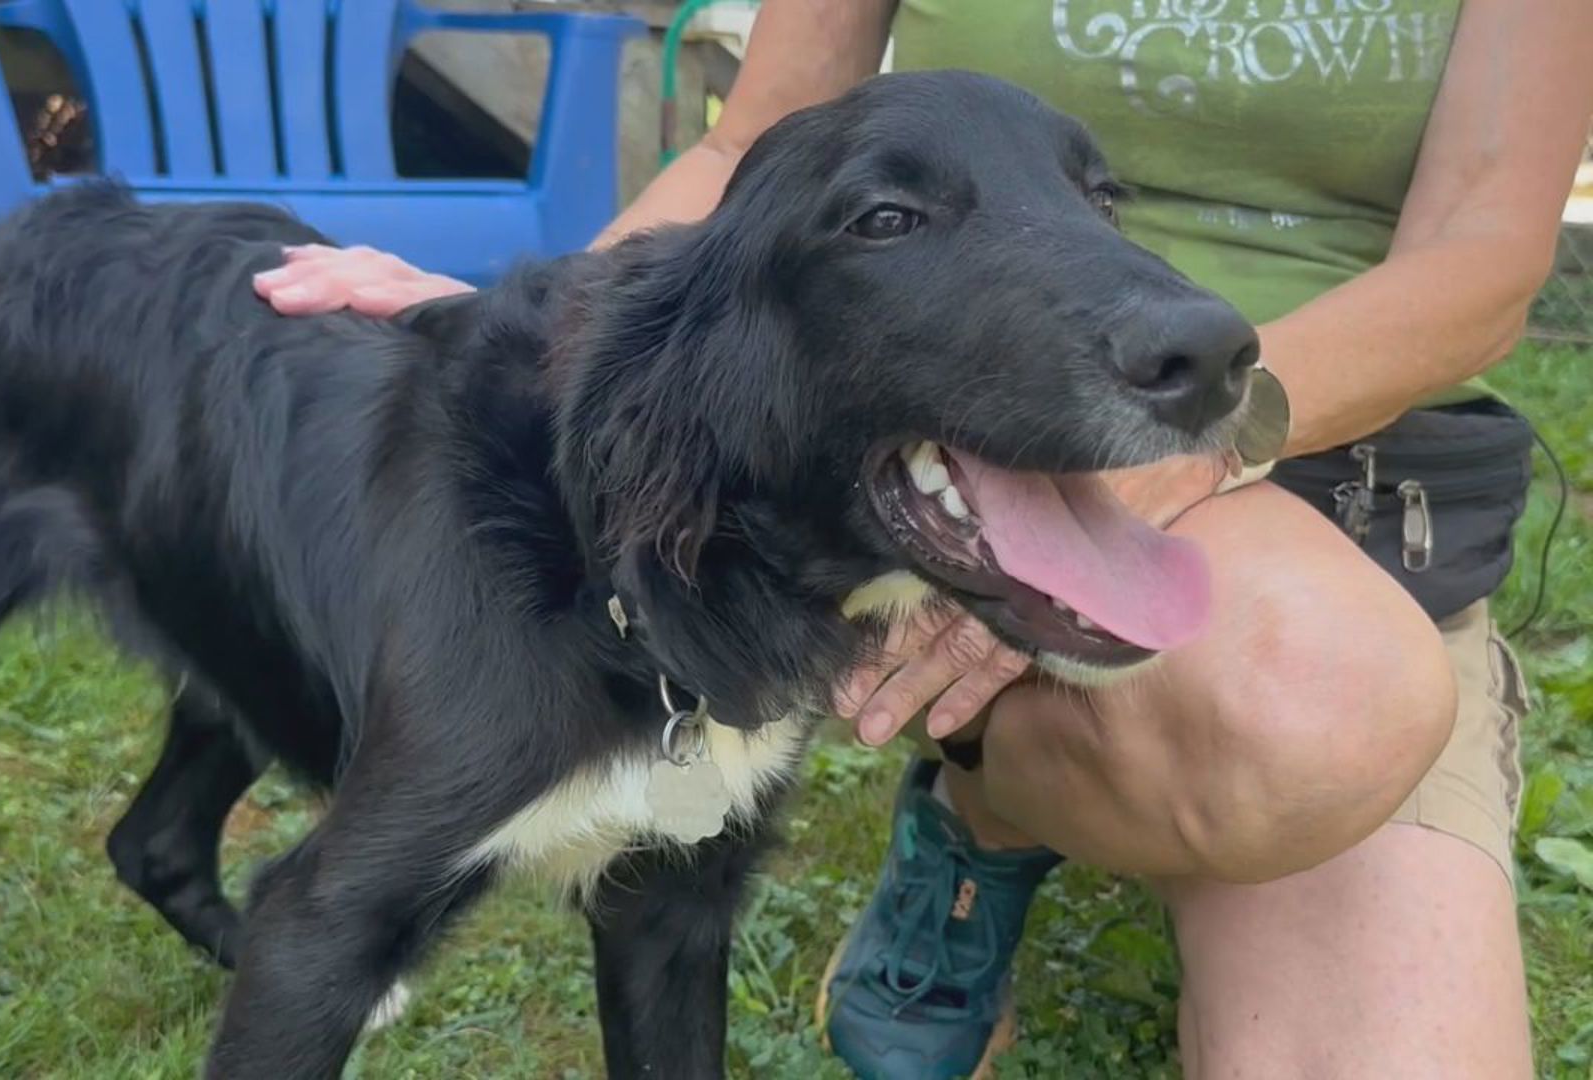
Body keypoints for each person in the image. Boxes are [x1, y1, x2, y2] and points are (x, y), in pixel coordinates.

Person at [250, 2, 1593, 1076]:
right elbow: (753, 146)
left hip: (1331, 478)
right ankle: (991, 808)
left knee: (1331, 714)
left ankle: (1025, 792)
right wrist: (552, 328)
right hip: (933, 436)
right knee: (1296, 713)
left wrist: (1205, 439)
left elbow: (1487, 254)